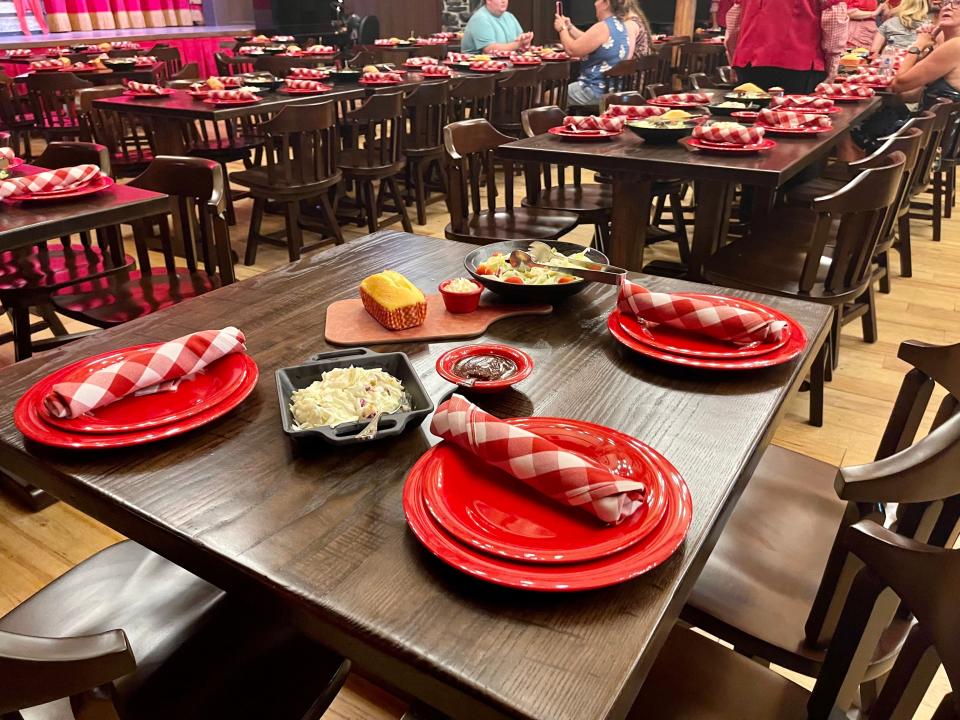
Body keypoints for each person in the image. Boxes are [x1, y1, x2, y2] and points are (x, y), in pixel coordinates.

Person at [842, 0, 960, 158]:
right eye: (947, 2)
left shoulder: (954, 46)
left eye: (958, 3)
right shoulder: (947, 43)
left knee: (843, 130)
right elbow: (911, 94)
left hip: (931, 141)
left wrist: (917, 46)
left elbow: (898, 84)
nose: (948, 7)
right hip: (938, 135)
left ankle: (863, 179)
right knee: (877, 116)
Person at [725, 0, 849, 93]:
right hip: (798, 65)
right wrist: (832, 66)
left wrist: (734, 60)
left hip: (748, 63)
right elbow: (833, 21)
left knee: (749, 119)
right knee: (798, 121)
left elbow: (734, 25)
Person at [555, 0, 639, 106]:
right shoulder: (622, 25)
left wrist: (562, 29)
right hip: (615, 90)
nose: (595, 3)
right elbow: (589, 41)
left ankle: (566, 122)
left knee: (551, 96)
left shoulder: (603, 27)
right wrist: (569, 27)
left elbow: (572, 50)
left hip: (595, 91)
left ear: (606, 4)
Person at [461, 0, 534, 54]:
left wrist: (525, 42)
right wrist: (519, 44)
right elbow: (490, 50)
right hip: (478, 71)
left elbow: (520, 42)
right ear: (488, 1)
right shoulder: (480, 18)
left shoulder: (509, 16)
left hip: (506, 67)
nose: (503, 1)